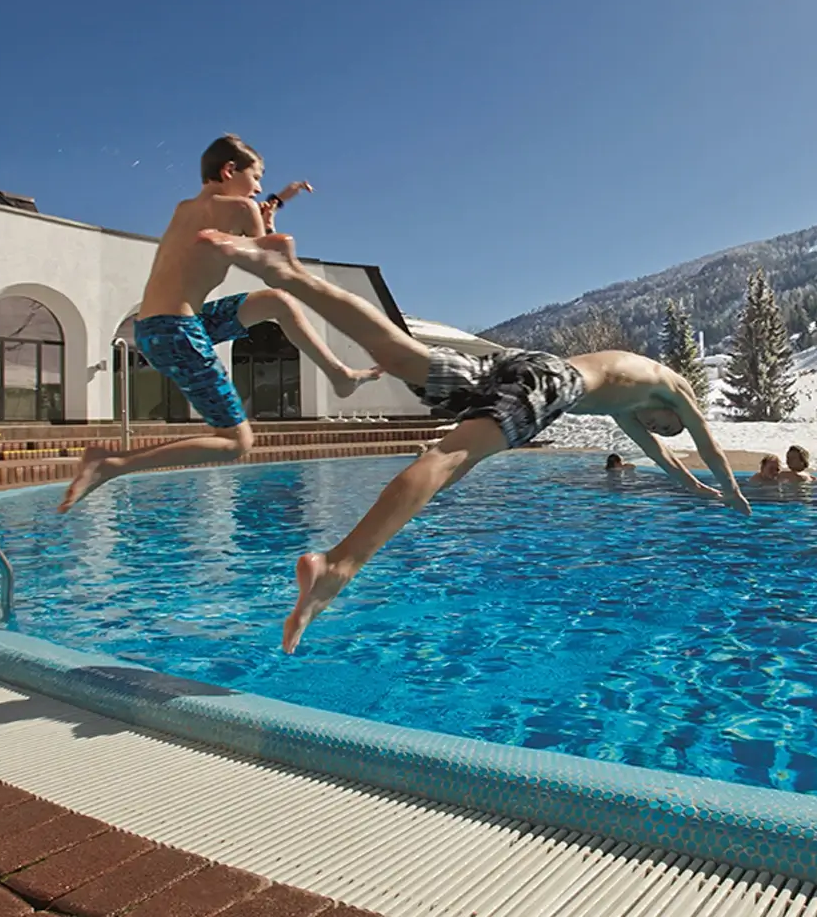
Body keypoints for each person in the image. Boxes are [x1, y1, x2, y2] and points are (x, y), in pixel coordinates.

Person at [198, 228, 752, 652]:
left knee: (397, 352)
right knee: (447, 458)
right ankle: (337, 567)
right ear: (668, 409)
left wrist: (700, 492)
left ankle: (290, 274)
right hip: (551, 381)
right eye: (663, 423)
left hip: (523, 364)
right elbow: (704, 444)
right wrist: (729, 487)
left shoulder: (633, 406)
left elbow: (667, 458)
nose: (656, 430)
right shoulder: (674, 386)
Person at [59, 136, 382, 513]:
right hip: (178, 331)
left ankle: (340, 374)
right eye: (256, 176)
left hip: (161, 326)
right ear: (230, 170)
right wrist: (273, 216)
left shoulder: (184, 208)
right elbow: (273, 266)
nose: (259, 187)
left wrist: (277, 201)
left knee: (275, 304)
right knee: (236, 442)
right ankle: (111, 463)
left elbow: (247, 234)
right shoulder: (243, 208)